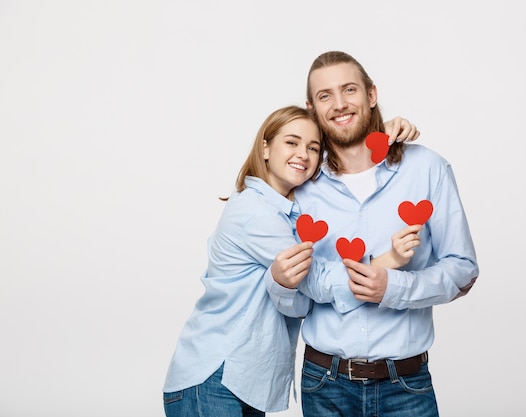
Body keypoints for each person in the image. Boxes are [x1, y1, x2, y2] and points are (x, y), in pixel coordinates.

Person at [162, 105, 421, 417]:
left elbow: (299, 305)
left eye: (313, 148)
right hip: (215, 374)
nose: (304, 154)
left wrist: (381, 135)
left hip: (241, 380)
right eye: (291, 142)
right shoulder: (255, 212)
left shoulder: (290, 213)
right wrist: (387, 260)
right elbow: (318, 284)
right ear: (266, 148)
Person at [268, 51, 479, 417]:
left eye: (349, 89)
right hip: (324, 384)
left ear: (371, 95)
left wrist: (393, 288)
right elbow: (300, 288)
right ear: (311, 108)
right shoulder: (300, 184)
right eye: (324, 96)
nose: (339, 104)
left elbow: (463, 270)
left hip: (406, 385)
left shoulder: (427, 168)